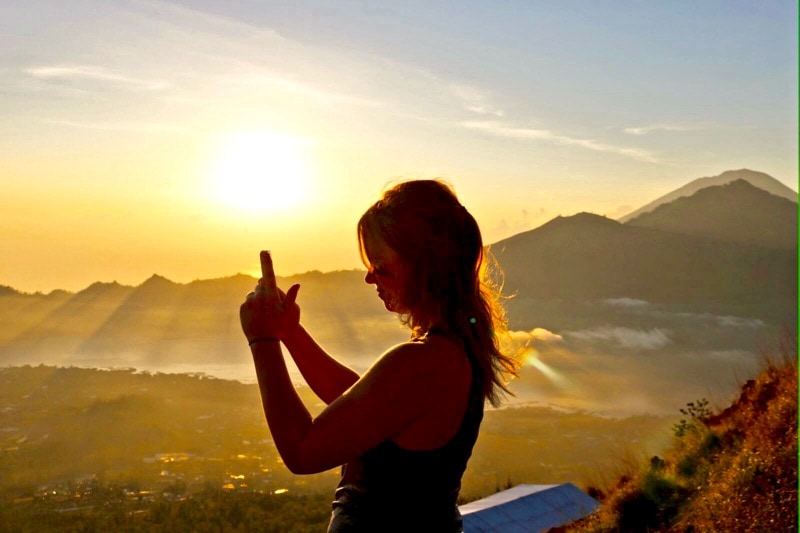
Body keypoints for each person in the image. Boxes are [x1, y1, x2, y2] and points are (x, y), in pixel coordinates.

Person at [240, 179, 519, 532]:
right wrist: (290, 333)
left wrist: (262, 340)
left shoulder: (424, 362)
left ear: (426, 266)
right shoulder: (454, 349)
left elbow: (302, 450)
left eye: (382, 267)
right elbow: (365, 401)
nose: (370, 278)